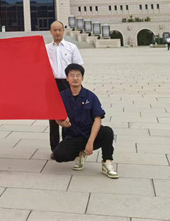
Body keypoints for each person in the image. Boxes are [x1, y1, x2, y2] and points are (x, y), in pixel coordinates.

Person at [52, 64, 118, 179]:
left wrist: (90, 142)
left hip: (90, 133)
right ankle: (80, 153)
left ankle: (107, 162)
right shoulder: (61, 96)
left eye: (78, 75)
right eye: (72, 75)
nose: (75, 78)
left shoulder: (90, 96)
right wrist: (62, 123)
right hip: (73, 136)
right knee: (58, 155)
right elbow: (56, 118)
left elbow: (97, 119)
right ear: (67, 78)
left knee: (107, 132)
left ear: (82, 78)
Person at [46, 21, 84, 156]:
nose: (57, 33)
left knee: (70, 115)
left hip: (68, 83)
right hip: (51, 84)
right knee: (53, 117)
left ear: (63, 31)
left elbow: (78, 67)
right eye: (54, 30)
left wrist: (76, 83)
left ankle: (69, 146)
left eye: (59, 30)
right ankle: (55, 148)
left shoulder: (71, 47)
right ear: (50, 31)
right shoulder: (45, 48)